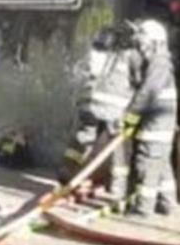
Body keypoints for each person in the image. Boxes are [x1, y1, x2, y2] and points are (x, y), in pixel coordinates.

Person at [58, 24, 136, 202]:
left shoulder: (94, 52)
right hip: (114, 109)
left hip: (89, 104)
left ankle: (67, 173)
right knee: (119, 148)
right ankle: (118, 189)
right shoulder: (127, 57)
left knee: (82, 139)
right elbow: (136, 82)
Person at [121, 18, 179, 217]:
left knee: (146, 163)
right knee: (161, 165)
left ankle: (143, 208)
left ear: (155, 43)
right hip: (160, 125)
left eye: (143, 43)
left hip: (156, 126)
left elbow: (147, 92)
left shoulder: (159, 63)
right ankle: (167, 204)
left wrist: (130, 116)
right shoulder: (158, 63)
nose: (140, 48)